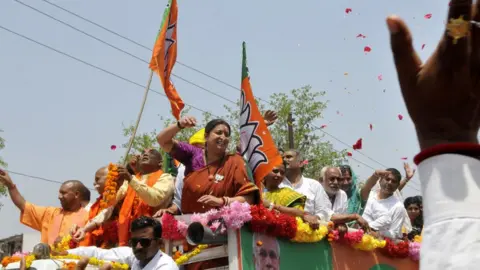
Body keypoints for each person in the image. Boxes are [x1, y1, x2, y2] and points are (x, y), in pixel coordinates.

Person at [157, 116, 259, 269]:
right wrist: (179, 125)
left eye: (226, 135)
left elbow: (249, 198)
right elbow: (162, 140)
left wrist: (223, 201)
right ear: (206, 136)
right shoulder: (193, 155)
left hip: (224, 239)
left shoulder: (234, 162)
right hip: (191, 235)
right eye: (218, 133)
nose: (223, 137)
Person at [74, 149, 175, 246]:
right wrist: (84, 229)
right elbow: (110, 206)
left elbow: (154, 199)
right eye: (143, 152)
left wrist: (131, 178)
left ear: (160, 163)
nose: (145, 154)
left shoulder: (165, 178)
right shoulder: (130, 182)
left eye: (151, 152)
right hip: (131, 238)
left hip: (154, 239)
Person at [0, 170, 89, 245]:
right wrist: (11, 186)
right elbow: (23, 206)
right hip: (47, 264)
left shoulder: (88, 217)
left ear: (76, 194)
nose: (59, 196)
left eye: (63, 193)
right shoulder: (49, 213)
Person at [67, 216, 178, 270]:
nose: (138, 246)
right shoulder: (135, 257)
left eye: (144, 242)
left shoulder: (165, 266)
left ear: (160, 243)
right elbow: (97, 253)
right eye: (134, 242)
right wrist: (65, 253)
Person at [153, 128, 206, 218]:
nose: (199, 155)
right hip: (190, 221)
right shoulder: (183, 169)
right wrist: (169, 211)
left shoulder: (227, 165)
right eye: (195, 149)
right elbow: (178, 203)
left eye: (202, 149)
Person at [75, 166, 121, 248]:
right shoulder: (98, 203)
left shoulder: (119, 198)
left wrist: (85, 229)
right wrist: (81, 229)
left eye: (97, 179)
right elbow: (93, 222)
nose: (94, 183)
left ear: (111, 178)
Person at [262, 163, 319, 228]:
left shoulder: (288, 193)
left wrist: (271, 205)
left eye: (282, 173)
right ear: (265, 171)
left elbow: (300, 214)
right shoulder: (255, 190)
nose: (279, 175)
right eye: (275, 171)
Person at [361, 168, 407, 239]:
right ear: (380, 180)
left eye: (393, 181)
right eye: (387, 179)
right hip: (355, 236)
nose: (389, 183)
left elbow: (395, 233)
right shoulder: (369, 195)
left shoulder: (398, 207)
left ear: (397, 185)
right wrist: (375, 175)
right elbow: (365, 188)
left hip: (376, 245)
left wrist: (378, 233)